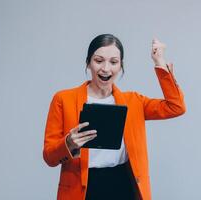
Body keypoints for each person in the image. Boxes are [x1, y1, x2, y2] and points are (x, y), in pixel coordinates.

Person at [43, 33, 186, 200]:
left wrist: (159, 62)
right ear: (88, 63)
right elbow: (49, 157)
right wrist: (68, 143)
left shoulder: (133, 102)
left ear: (120, 66)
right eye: (98, 60)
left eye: (113, 62)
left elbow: (176, 107)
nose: (105, 68)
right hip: (81, 189)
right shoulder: (63, 99)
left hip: (123, 185)